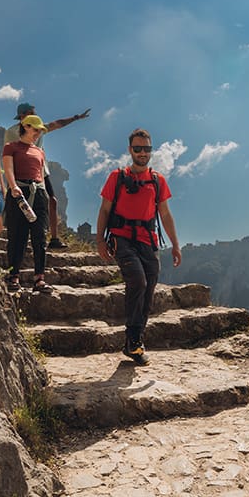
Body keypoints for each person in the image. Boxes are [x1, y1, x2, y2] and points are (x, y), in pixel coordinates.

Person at [96, 128, 181, 365]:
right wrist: (100, 240)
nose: (142, 153)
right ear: (130, 150)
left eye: (146, 149)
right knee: (137, 281)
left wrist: (175, 245)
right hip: (121, 238)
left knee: (149, 288)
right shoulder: (117, 176)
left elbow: (165, 214)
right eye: (138, 148)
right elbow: (104, 209)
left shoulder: (157, 180)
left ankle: (134, 343)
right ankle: (133, 339)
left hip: (149, 241)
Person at [4, 102, 91, 249]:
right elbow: (10, 154)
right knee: (20, 203)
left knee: (52, 200)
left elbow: (57, 124)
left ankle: (54, 239)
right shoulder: (12, 132)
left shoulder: (39, 128)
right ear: (23, 115)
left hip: (41, 170)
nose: (36, 115)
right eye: (33, 112)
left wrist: (76, 118)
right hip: (22, 172)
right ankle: (19, 236)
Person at [2, 115, 52, 292]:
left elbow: (41, 175)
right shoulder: (11, 147)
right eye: (36, 129)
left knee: (40, 236)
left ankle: (39, 278)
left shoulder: (39, 152)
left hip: (38, 193)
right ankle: (13, 275)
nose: (38, 133)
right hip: (19, 193)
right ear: (26, 126)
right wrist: (13, 186)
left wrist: (44, 194)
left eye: (40, 131)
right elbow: (8, 168)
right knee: (17, 236)